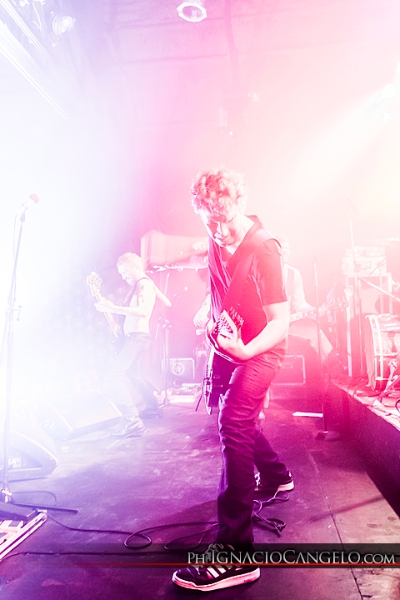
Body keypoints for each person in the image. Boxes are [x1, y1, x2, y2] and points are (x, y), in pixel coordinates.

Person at [172, 167, 292, 592]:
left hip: (261, 348)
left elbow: (281, 322)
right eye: (210, 223)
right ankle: (276, 476)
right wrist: (209, 314)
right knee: (237, 418)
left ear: (241, 204)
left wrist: (245, 352)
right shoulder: (213, 238)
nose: (219, 231)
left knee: (233, 421)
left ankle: (237, 555)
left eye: (225, 220)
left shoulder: (264, 249)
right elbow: (221, 287)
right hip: (231, 344)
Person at [95, 252, 170, 437]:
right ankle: (152, 407)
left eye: (124, 271)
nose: (123, 276)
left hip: (137, 338)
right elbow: (167, 302)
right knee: (133, 375)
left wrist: (113, 307)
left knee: (113, 376)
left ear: (134, 267)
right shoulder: (144, 284)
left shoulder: (144, 284)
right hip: (135, 337)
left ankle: (132, 422)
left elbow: (143, 311)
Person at [276, 234, 344, 377]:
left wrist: (315, 310)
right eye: (282, 247)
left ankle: (337, 375)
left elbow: (299, 304)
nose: (286, 251)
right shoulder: (262, 272)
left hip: (288, 324)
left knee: (316, 332)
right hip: (267, 328)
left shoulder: (293, 274)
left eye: (288, 247)